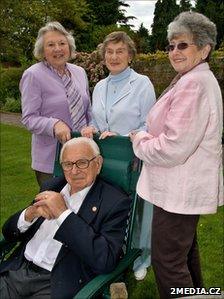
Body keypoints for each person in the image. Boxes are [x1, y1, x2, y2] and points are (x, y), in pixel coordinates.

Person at [130, 11, 223, 299]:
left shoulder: (194, 83)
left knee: (168, 262)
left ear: (204, 48)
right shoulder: (190, 78)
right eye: (171, 45)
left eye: (183, 45)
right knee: (183, 255)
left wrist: (140, 140)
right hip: (178, 190)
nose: (174, 51)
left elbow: (172, 147)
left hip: (178, 191)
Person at [0, 137, 131, 299]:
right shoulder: (52, 186)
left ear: (98, 164)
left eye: (82, 162)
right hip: (16, 272)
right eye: (68, 164)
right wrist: (30, 214)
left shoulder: (114, 202)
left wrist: (63, 214)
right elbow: (8, 232)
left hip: (57, 283)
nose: (74, 171)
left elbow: (105, 260)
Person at [81, 31, 156, 280]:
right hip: (107, 159)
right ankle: (112, 251)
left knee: (138, 210)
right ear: (103, 56)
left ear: (130, 55)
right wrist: (92, 127)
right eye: (109, 52)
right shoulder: (100, 86)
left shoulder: (142, 83)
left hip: (133, 158)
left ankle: (141, 257)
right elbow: (97, 119)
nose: (114, 57)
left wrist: (124, 135)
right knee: (111, 208)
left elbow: (149, 125)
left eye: (120, 51)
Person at [20, 21, 92, 187]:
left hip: (83, 154)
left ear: (69, 47)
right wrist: (54, 125)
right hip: (51, 159)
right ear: (42, 50)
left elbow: (88, 109)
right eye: (51, 44)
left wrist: (92, 127)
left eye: (62, 43)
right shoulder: (33, 75)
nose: (58, 49)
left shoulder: (79, 72)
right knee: (54, 206)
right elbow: (29, 118)